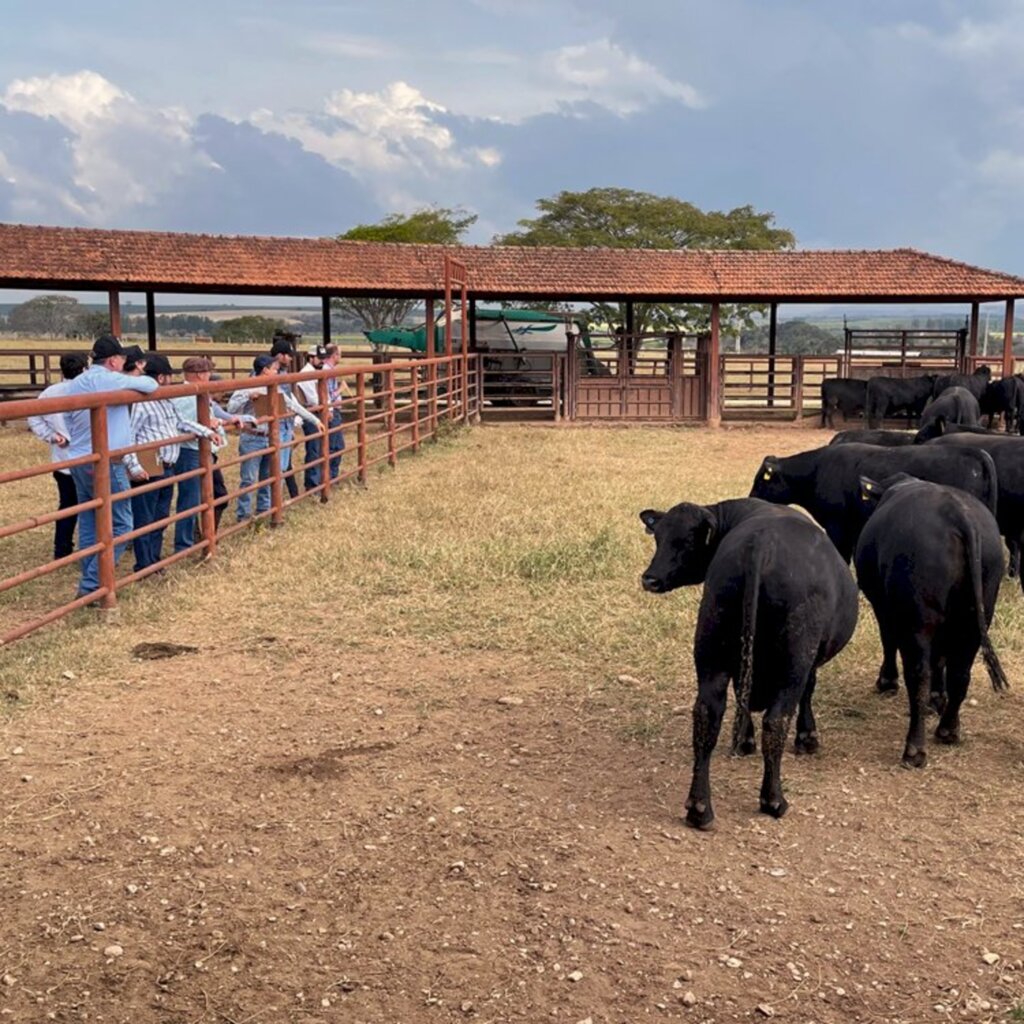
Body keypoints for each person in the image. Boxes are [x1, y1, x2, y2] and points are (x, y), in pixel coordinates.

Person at [63, 334, 159, 598]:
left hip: (80, 459)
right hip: (106, 459)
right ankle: (92, 584)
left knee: (89, 518)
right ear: (115, 361)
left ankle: (90, 573)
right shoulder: (107, 379)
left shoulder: (79, 382)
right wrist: (135, 382)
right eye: (123, 359)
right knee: (122, 523)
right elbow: (150, 384)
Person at [122, 355, 223, 570]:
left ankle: (154, 560)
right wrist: (134, 465)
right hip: (149, 463)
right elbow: (128, 435)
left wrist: (206, 432)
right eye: (169, 376)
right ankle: (144, 564)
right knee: (146, 516)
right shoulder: (141, 404)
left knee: (160, 515)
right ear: (160, 378)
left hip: (166, 463)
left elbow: (181, 422)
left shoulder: (166, 400)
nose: (171, 380)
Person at [229, 354, 322, 521]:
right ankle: (243, 515)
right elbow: (231, 409)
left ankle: (264, 510)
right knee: (248, 478)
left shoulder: (275, 387)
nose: (277, 373)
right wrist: (248, 396)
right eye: (274, 369)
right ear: (265, 370)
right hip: (253, 436)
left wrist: (314, 420)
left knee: (269, 475)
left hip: (270, 436)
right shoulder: (245, 387)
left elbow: (293, 405)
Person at [168, 356, 245, 551]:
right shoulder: (186, 394)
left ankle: (203, 535)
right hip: (191, 451)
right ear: (200, 375)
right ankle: (186, 544)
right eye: (207, 372)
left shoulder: (197, 392)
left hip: (201, 450)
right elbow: (183, 421)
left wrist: (222, 419)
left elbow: (211, 410)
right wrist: (207, 425)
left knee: (210, 495)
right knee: (191, 499)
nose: (209, 376)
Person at [26, 352, 89, 560]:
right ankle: (92, 546)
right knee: (93, 504)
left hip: (63, 460)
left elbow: (33, 417)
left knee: (67, 505)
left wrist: (52, 436)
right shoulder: (88, 391)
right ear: (84, 368)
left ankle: (62, 549)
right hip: (87, 459)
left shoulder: (49, 392)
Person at [296, 344, 326, 491]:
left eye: (323, 358)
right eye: (319, 358)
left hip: (314, 412)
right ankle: (312, 483)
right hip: (310, 412)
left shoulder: (313, 372)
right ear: (311, 358)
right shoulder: (307, 373)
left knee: (317, 447)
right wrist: (325, 406)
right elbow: (313, 399)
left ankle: (316, 480)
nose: (322, 361)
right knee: (314, 447)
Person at [321, 344, 348, 482]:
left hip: (334, 410)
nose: (340, 357)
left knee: (336, 445)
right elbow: (326, 395)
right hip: (332, 411)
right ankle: (329, 477)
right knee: (334, 445)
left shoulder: (330, 369)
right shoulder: (327, 371)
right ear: (334, 355)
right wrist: (341, 390)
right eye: (340, 354)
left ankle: (331, 476)